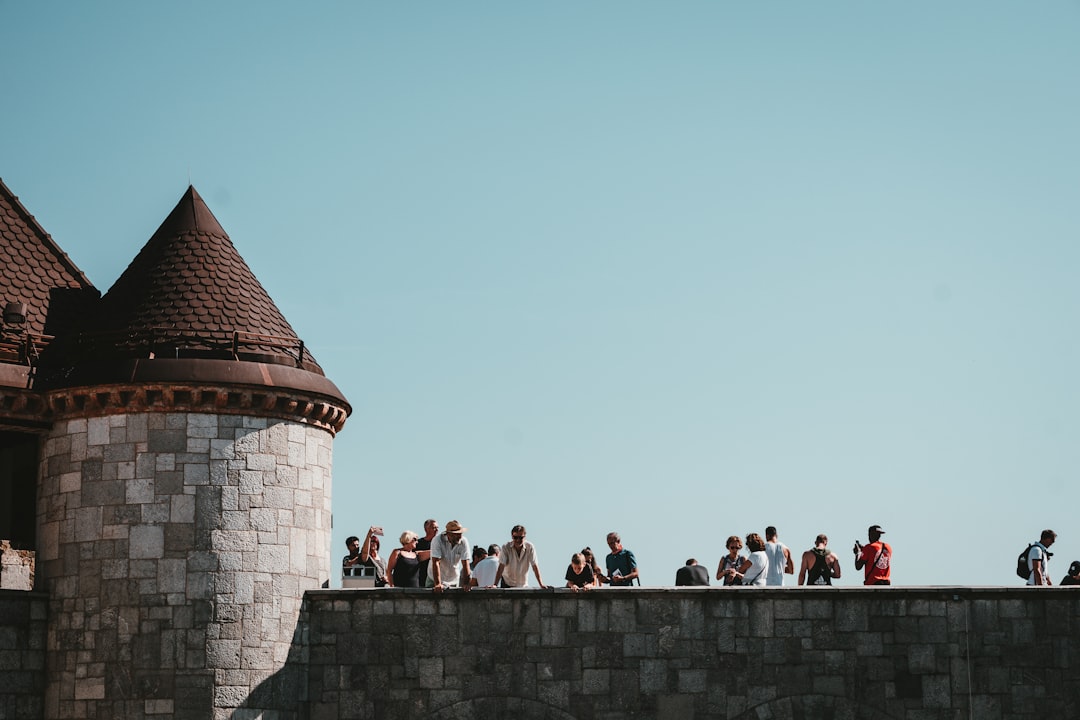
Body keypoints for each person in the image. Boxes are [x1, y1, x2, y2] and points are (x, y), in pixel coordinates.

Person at [431, 520, 472, 592]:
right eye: (457, 534)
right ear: (448, 534)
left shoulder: (463, 541)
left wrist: (466, 584)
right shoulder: (437, 540)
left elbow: (466, 563)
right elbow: (436, 562)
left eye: (460, 533)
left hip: (453, 580)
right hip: (434, 578)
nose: (460, 536)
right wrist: (437, 584)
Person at [416, 519, 439, 588]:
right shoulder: (418, 543)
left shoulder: (440, 544)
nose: (436, 530)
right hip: (421, 579)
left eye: (437, 528)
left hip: (435, 580)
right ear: (426, 529)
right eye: (434, 528)